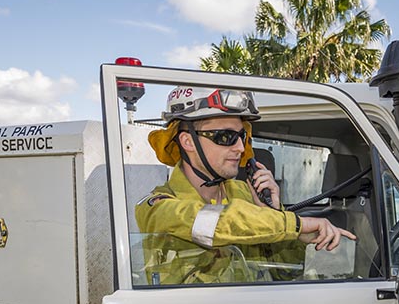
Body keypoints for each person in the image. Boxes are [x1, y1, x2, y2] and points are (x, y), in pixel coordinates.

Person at [135, 86, 355, 284]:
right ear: (188, 142)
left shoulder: (245, 193)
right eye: (226, 137)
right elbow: (220, 223)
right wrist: (293, 224)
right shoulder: (157, 207)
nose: (240, 148)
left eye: (242, 136)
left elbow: (282, 273)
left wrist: (273, 213)